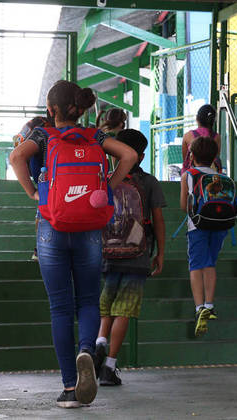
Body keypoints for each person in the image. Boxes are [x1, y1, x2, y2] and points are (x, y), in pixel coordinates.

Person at [8, 80, 137, 408]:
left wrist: (34, 193)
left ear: (51, 110)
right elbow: (130, 154)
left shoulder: (42, 135)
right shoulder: (95, 136)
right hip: (89, 227)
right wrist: (108, 185)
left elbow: (16, 158)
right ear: (79, 110)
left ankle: (69, 388)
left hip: (52, 225)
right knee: (89, 300)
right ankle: (86, 349)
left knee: (60, 307)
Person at [95, 129, 166, 386]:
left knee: (107, 306)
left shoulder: (104, 180)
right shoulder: (148, 182)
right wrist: (160, 253)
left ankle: (99, 343)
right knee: (124, 310)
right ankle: (109, 367)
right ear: (142, 155)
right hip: (137, 256)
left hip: (108, 253)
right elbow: (158, 219)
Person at [180, 136, 228, 337]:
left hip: (197, 225)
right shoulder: (220, 176)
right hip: (220, 225)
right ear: (215, 156)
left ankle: (200, 307)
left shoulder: (188, 175)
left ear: (192, 155)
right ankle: (210, 303)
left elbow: (184, 206)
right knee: (210, 263)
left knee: (196, 265)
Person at [12, 115, 53, 262]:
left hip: (42, 182)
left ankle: (40, 249)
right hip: (50, 181)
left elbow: (17, 147)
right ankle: (41, 249)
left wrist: (32, 192)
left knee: (44, 207)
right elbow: (16, 155)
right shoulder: (44, 129)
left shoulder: (34, 125)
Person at [181, 104, 222, 174]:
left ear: (197, 118)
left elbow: (185, 160)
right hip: (211, 175)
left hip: (191, 174)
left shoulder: (187, 136)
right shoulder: (217, 137)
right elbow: (215, 157)